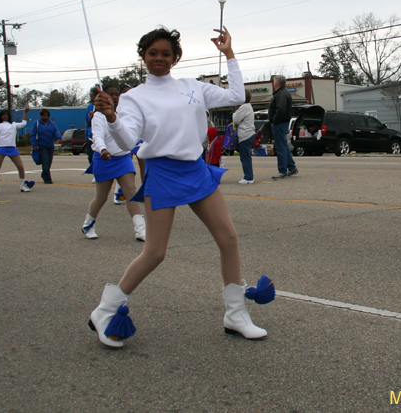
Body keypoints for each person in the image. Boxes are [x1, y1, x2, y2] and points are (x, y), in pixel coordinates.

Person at [89, 25, 267, 348]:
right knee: (155, 252)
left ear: (175, 58)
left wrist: (229, 54)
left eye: (166, 54)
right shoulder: (133, 98)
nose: (159, 58)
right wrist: (113, 118)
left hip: (197, 169)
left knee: (228, 238)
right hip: (163, 173)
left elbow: (237, 96)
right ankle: (104, 311)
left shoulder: (193, 86)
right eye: (153, 53)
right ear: (143, 56)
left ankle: (235, 314)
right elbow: (129, 140)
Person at [82, 85, 146, 242]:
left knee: (131, 192)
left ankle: (141, 230)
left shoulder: (125, 114)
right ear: (105, 97)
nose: (115, 97)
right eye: (111, 94)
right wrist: (103, 149)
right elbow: (97, 136)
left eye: (116, 94)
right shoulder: (98, 116)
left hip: (123, 158)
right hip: (104, 158)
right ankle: (88, 224)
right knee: (101, 197)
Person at [0, 107, 35, 195]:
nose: (5, 116)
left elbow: (23, 124)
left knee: (20, 166)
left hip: (12, 148)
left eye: (6, 114)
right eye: (3, 115)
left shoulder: (13, 124)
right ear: (1, 116)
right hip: (1, 148)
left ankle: (22, 185)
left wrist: (25, 112)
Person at [268, 74, 297, 179]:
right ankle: (292, 167)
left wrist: (275, 120)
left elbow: (281, 109)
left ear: (277, 83)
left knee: (280, 147)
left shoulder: (281, 94)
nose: (273, 83)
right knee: (284, 146)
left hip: (279, 124)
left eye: (274, 81)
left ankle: (282, 170)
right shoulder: (283, 93)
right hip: (281, 123)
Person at [30, 109, 62, 184]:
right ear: (41, 116)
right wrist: (34, 144)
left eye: (47, 116)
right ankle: (47, 178)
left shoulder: (52, 124)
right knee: (45, 161)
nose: (46, 117)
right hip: (42, 145)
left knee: (49, 162)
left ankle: (44, 174)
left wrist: (58, 138)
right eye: (44, 115)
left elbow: (56, 131)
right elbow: (33, 135)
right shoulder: (37, 123)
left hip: (50, 145)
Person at [233, 89, 255, 184]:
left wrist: (235, 113)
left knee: (245, 157)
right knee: (246, 156)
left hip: (245, 134)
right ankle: (249, 175)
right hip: (250, 133)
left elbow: (235, 119)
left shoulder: (243, 107)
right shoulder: (249, 106)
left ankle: (248, 177)